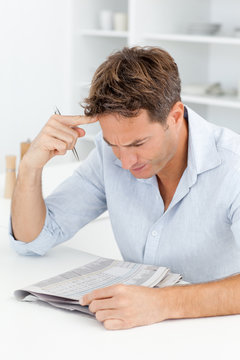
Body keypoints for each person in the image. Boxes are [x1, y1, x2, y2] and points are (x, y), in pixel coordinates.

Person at [10, 46, 240, 330]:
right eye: (114, 144)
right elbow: (33, 239)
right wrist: (31, 167)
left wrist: (162, 303)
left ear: (175, 116)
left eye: (138, 143)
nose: (127, 162)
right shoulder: (109, 158)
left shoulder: (233, 166)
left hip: (220, 333)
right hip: (134, 333)